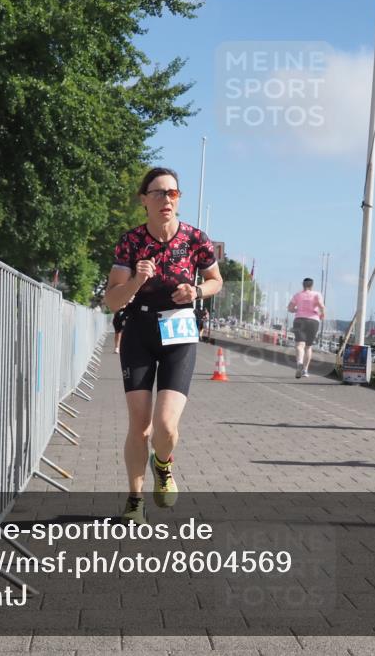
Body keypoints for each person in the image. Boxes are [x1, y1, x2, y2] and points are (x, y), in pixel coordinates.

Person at [103, 168, 222, 524]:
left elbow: (216, 281)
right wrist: (138, 280)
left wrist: (197, 291)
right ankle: (135, 500)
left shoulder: (195, 239)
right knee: (140, 427)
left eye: (173, 193)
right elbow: (112, 300)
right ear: (144, 200)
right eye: (158, 193)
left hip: (179, 331)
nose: (167, 199)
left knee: (166, 426)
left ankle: (163, 464)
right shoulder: (131, 242)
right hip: (139, 331)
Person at [287, 278, 326, 378]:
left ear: (303, 285)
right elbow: (322, 306)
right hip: (313, 321)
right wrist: (322, 315)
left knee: (300, 345)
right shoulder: (317, 294)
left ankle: (299, 363)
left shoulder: (297, 295)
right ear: (312, 285)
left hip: (299, 320)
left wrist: (298, 310)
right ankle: (305, 370)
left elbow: (290, 308)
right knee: (308, 346)